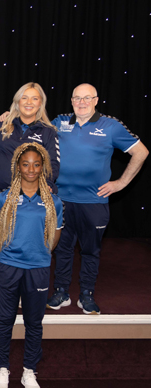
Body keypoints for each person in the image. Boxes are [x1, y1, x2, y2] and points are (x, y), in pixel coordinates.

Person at [46, 84, 147, 314]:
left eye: (87, 98)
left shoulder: (110, 125)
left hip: (94, 202)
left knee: (90, 251)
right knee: (62, 249)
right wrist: (8, 116)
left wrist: (120, 183)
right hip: (61, 201)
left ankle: (86, 294)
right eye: (77, 98)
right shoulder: (59, 122)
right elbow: (34, 134)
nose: (82, 102)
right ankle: (61, 291)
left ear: (96, 100)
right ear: (71, 101)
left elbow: (141, 152)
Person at [0, 143, 63, 388]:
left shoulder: (53, 201)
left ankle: (29, 370)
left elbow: (55, 236)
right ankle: (2, 369)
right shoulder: (4, 197)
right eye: (25, 164)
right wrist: (7, 252)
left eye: (36, 164)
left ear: (42, 167)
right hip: (9, 267)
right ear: (17, 167)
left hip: (38, 268)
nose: (31, 169)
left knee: (34, 321)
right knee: (5, 319)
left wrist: (39, 252)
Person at [0, 82, 59, 305]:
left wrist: (45, 184)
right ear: (17, 101)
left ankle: (21, 287)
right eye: (24, 98)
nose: (29, 102)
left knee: (22, 239)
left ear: (40, 104)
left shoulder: (48, 132)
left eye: (34, 98)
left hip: (29, 196)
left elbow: (53, 165)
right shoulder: (1, 126)